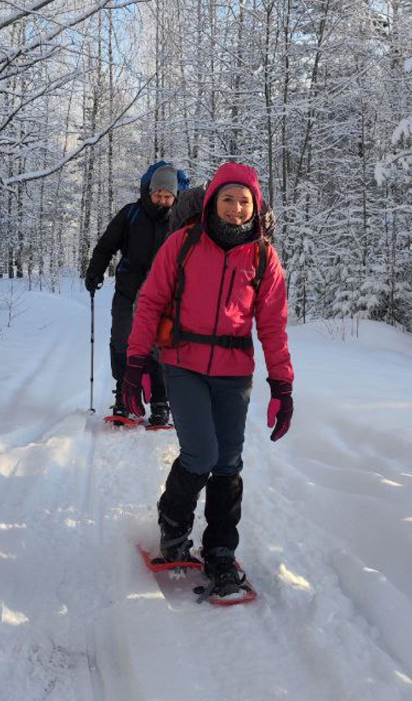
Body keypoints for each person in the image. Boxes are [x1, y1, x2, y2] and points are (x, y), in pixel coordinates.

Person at [122, 161, 294, 596]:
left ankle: (220, 550)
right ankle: (173, 523)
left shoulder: (262, 255)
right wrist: (135, 365)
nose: (236, 208)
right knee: (200, 454)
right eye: (228, 199)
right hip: (182, 364)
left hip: (234, 373)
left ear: (256, 207)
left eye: (245, 201)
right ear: (213, 200)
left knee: (228, 462)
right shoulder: (182, 244)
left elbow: (273, 325)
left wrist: (282, 386)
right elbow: (150, 303)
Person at [84, 161, 189, 426]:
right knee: (122, 340)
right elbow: (106, 245)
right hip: (129, 290)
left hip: (165, 294)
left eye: (168, 196)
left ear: (175, 196)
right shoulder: (131, 214)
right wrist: (95, 271)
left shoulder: (181, 221)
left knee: (160, 345)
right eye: (158, 194)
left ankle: (159, 400)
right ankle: (123, 394)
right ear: (149, 191)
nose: (162, 200)